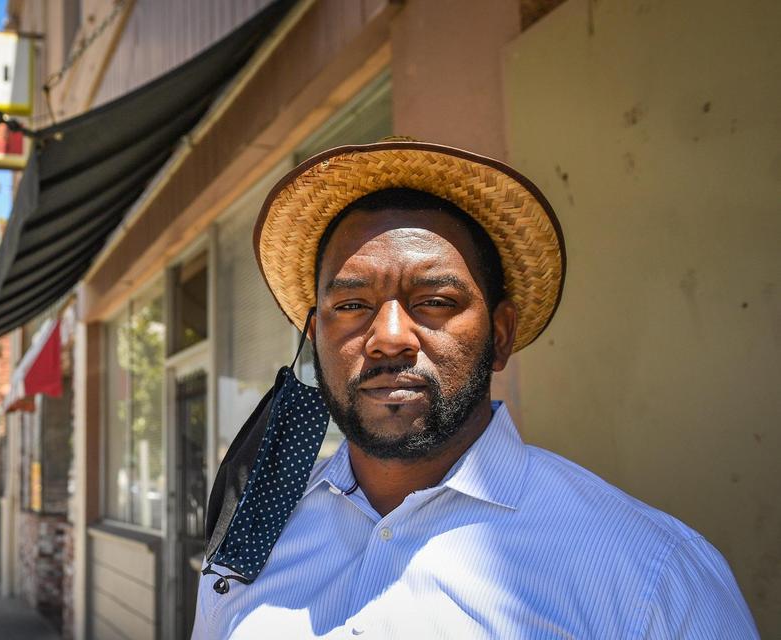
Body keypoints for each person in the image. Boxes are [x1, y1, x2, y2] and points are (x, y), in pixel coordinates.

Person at [193, 140, 757, 638]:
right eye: (352, 305)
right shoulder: (252, 530)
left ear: (501, 335)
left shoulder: (651, 574)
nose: (388, 338)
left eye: (435, 302)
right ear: (315, 339)